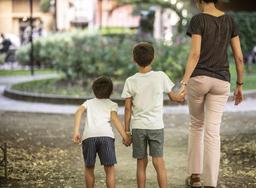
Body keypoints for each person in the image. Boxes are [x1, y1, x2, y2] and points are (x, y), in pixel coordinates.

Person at [179, 0, 244, 187]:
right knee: (213, 132)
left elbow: (195, 54)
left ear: (199, 1)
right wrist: (239, 84)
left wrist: (184, 81)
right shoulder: (230, 21)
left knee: (196, 125)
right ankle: (211, 183)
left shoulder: (198, 20)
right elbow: (239, 57)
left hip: (199, 79)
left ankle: (195, 177)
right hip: (222, 81)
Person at [121, 42, 185, 188]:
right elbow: (175, 97)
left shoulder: (130, 81)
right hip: (156, 126)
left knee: (141, 163)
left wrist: (126, 131)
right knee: (158, 162)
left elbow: (127, 109)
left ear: (134, 59)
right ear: (153, 58)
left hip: (138, 127)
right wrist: (183, 93)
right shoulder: (160, 76)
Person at [73, 76, 131, 188]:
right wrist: (125, 136)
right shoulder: (112, 104)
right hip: (106, 138)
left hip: (89, 138)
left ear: (94, 90)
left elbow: (78, 112)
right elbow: (114, 119)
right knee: (110, 169)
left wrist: (76, 131)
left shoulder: (88, 103)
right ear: (111, 92)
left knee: (89, 168)